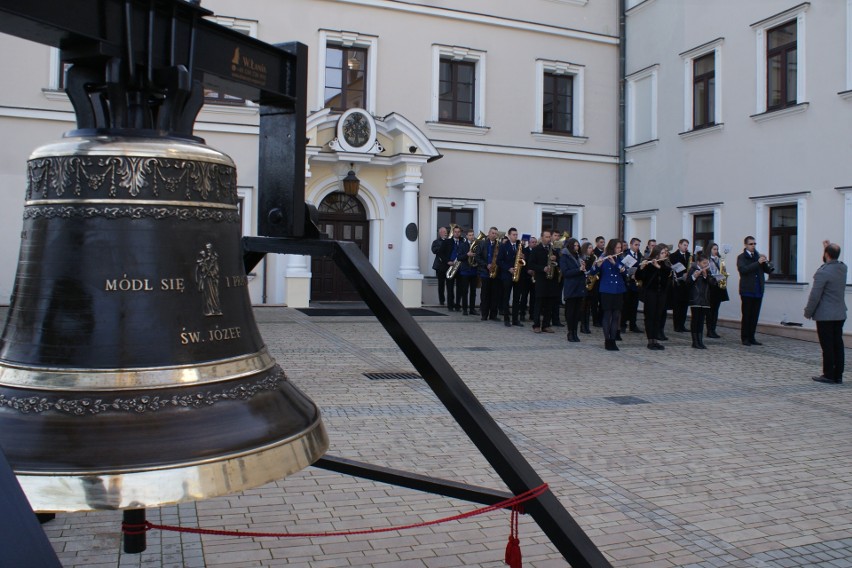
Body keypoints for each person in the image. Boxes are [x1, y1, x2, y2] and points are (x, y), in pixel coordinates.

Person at [804, 243, 847, 384]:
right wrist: (829, 249)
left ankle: (828, 374)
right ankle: (838, 375)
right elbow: (834, 262)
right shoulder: (842, 268)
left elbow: (815, 295)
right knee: (838, 344)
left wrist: (808, 312)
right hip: (839, 313)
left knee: (827, 346)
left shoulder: (823, 272)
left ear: (826, 254)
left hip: (825, 315)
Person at [590, 238, 627, 351]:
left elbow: (625, 271)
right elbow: (592, 272)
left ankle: (613, 340)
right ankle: (607, 340)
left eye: (620, 248)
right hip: (606, 289)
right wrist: (598, 265)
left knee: (616, 315)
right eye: (617, 248)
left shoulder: (620, 258)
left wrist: (615, 263)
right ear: (612, 248)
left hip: (618, 289)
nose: (619, 249)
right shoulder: (603, 257)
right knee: (607, 315)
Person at [737, 236, 773, 346]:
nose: (753, 246)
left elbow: (768, 271)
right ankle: (745, 338)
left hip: (758, 290)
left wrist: (766, 262)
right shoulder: (741, 257)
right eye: (751, 244)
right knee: (747, 315)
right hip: (747, 290)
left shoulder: (758, 256)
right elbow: (743, 270)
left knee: (754, 316)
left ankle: (752, 337)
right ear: (746, 245)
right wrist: (757, 262)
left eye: (754, 244)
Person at [636, 243, 671, 350]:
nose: (664, 254)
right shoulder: (649, 264)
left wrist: (659, 267)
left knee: (658, 316)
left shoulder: (665, 265)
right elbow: (639, 277)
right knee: (650, 317)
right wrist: (641, 268)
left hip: (661, 294)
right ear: (656, 254)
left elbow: (666, 277)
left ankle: (655, 340)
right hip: (650, 294)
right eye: (662, 253)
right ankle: (650, 341)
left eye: (665, 253)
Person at [529, 229, 559, 333]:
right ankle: (536, 325)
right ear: (542, 238)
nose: (548, 239)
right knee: (539, 303)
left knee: (549, 304)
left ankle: (546, 325)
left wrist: (556, 258)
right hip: (541, 279)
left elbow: (558, 263)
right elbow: (531, 264)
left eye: (549, 237)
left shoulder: (553, 249)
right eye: (546, 237)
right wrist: (543, 268)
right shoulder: (536, 249)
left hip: (551, 280)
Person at [559, 238, 586, 342]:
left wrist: (584, 269)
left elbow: (582, 271)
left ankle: (575, 332)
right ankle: (570, 332)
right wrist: (578, 269)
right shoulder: (564, 257)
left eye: (577, 246)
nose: (577, 247)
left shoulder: (579, 256)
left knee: (577, 312)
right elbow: (566, 273)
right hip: (571, 287)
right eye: (574, 246)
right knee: (570, 311)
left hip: (579, 286)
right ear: (570, 246)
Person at [686, 251, 715, 349]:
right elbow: (688, 282)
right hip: (695, 299)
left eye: (707, 263)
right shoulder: (693, 269)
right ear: (698, 262)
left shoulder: (708, 271)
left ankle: (700, 340)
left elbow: (712, 283)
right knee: (695, 319)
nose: (706, 265)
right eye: (704, 263)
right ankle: (695, 341)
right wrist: (695, 276)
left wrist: (706, 275)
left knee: (702, 320)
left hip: (705, 299)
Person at [498, 227, 524, 327]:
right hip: (507, 275)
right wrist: (508, 268)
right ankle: (506, 319)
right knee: (506, 297)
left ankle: (515, 320)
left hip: (517, 275)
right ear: (509, 236)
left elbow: (522, 262)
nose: (515, 236)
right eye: (513, 235)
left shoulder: (519, 245)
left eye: (516, 235)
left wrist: (522, 258)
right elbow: (499, 261)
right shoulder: (503, 246)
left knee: (517, 298)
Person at [476, 227, 501, 321]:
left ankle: (493, 315)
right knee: (485, 294)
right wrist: (486, 265)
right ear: (489, 233)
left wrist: (496, 265)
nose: (494, 235)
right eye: (493, 233)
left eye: (495, 233)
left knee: (495, 295)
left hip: (495, 273)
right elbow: (477, 257)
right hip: (484, 272)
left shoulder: (499, 245)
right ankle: (484, 314)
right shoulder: (482, 243)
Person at [706, 243, 729, 338]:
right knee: (710, 310)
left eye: (717, 249)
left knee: (716, 310)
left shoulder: (720, 260)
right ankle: (709, 330)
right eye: (714, 249)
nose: (716, 251)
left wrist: (724, 275)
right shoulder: (707, 260)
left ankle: (713, 329)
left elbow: (723, 271)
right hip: (711, 288)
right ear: (710, 250)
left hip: (719, 287)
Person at [621, 238, 643, 333]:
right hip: (627, 283)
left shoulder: (640, 255)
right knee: (625, 305)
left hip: (636, 284)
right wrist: (629, 274)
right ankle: (623, 325)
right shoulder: (625, 254)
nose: (637, 247)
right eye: (636, 245)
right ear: (631, 245)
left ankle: (633, 325)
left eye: (638, 245)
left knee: (634, 306)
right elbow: (622, 267)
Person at [669, 238, 692, 332]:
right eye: (684, 245)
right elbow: (673, 268)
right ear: (679, 245)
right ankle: (677, 325)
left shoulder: (689, 255)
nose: (686, 247)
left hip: (686, 284)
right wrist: (681, 275)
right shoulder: (673, 255)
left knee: (684, 305)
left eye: (687, 245)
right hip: (678, 283)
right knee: (677, 306)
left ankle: (682, 324)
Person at [440, 225, 464, 311]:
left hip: (460, 268)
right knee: (450, 288)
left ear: (460, 233)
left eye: (458, 232)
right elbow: (441, 253)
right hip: (450, 266)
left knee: (460, 288)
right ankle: (450, 305)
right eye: (455, 232)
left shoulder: (463, 241)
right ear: (453, 233)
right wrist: (448, 261)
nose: (457, 233)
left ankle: (458, 305)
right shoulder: (447, 242)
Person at [457, 229, 478, 316]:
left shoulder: (477, 245)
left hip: (474, 271)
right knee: (465, 291)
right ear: (466, 236)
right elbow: (459, 257)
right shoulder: (462, 245)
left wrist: (476, 256)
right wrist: (467, 255)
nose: (471, 236)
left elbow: (480, 256)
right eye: (470, 235)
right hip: (465, 271)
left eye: (472, 235)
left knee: (473, 292)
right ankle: (465, 309)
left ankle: (472, 309)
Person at [578, 241, 595, 334]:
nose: (591, 249)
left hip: (590, 283)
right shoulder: (582, 258)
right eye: (589, 248)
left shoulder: (593, 258)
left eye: (591, 248)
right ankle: (582, 326)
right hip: (583, 282)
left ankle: (587, 325)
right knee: (583, 306)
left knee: (588, 306)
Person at [518, 235, 535, 322]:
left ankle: (532, 314)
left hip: (534, 277)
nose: (534, 244)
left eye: (535, 242)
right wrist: (527, 269)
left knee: (533, 297)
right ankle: (522, 314)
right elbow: (521, 263)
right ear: (529, 243)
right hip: (525, 277)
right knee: (524, 297)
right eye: (532, 242)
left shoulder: (537, 251)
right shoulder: (524, 250)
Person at [431, 226, 448, 306]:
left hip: (448, 265)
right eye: (444, 232)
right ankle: (442, 301)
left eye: (446, 231)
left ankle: (450, 301)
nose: (446, 233)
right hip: (440, 266)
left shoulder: (449, 241)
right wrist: (443, 246)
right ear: (440, 232)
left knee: (449, 284)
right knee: (441, 284)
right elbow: (434, 251)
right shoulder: (436, 242)